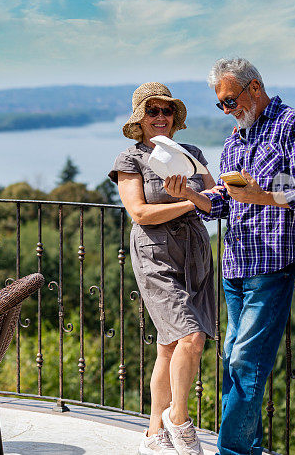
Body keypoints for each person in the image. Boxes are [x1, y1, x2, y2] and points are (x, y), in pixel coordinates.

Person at [165, 58, 295, 455]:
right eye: (220, 105)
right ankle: (247, 449)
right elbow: (224, 203)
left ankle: (232, 452)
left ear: (254, 87)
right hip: (236, 267)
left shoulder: (293, 125)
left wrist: (263, 196)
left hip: (273, 266)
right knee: (235, 362)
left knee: (244, 363)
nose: (227, 110)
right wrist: (189, 194)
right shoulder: (234, 140)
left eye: (230, 100)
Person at [109, 82, 217, 455]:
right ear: (140, 118)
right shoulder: (130, 158)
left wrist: (193, 196)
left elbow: (215, 200)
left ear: (174, 118)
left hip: (195, 253)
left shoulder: (193, 154)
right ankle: (180, 422)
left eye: (166, 111)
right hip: (155, 255)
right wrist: (191, 200)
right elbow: (139, 213)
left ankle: (154, 433)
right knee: (192, 337)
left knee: (170, 346)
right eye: (152, 111)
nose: (160, 117)